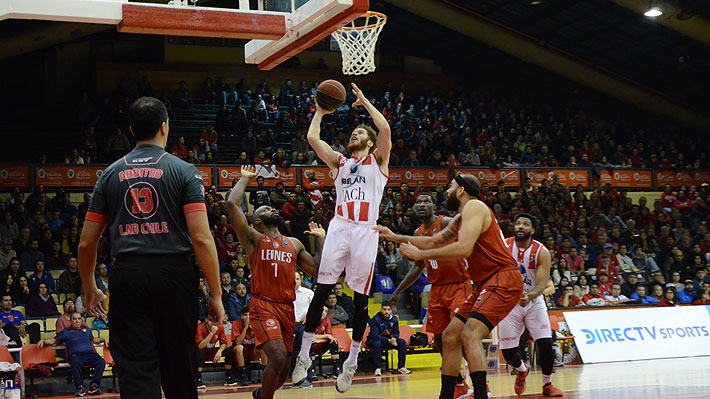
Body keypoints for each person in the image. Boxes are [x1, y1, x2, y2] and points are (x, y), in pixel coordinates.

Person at [78, 97, 224, 399]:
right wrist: (216, 293)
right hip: (174, 275)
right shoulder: (184, 171)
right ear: (164, 127)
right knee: (179, 365)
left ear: (132, 130)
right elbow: (201, 238)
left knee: (135, 367)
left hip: (128, 274)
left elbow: (87, 242)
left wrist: (90, 286)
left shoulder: (109, 175)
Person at [377, 173, 523, 399]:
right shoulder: (460, 218)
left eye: (450, 187)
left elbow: (464, 248)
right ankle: (447, 394)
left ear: (461, 190)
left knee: (470, 334)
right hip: (485, 282)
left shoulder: (475, 206)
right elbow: (434, 241)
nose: (446, 192)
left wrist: (421, 254)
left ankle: (482, 394)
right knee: (449, 336)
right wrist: (395, 237)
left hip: (502, 278)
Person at [294, 83, 392, 393]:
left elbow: (386, 127)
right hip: (339, 225)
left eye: (360, 133)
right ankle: (304, 356)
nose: (354, 134)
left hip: (366, 230)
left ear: (371, 142)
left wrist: (364, 102)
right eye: (352, 133)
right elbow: (312, 138)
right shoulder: (340, 162)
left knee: (361, 302)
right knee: (321, 290)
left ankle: (350, 363)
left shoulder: (378, 161)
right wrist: (320, 112)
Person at [226, 165, 324, 399]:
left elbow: (317, 269)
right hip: (263, 305)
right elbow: (231, 204)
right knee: (277, 356)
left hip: (286, 308)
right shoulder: (253, 238)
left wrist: (321, 240)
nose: (272, 208)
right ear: (257, 220)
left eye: (272, 206)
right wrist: (245, 178)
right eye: (265, 209)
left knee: (283, 369)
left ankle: (261, 394)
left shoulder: (294, 243)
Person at [388, 193, 473, 398]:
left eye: (427, 201)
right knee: (438, 340)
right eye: (419, 202)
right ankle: (460, 383)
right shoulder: (418, 232)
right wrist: (398, 291)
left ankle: (481, 385)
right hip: (436, 288)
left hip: (458, 285)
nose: (423, 204)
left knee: (462, 337)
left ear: (434, 206)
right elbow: (418, 266)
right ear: (414, 209)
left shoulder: (445, 222)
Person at [498, 214, 563, 396]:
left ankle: (547, 385)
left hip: (533, 301)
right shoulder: (504, 245)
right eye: (518, 223)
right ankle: (521, 369)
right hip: (509, 302)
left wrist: (530, 295)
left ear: (532, 230)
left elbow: (543, 283)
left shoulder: (541, 251)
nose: (520, 227)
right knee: (508, 351)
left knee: (545, 343)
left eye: (525, 224)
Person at [38, 312, 108, 396]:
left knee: (101, 361)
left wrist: (103, 339)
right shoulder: (66, 332)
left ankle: (94, 386)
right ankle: (80, 387)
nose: (77, 321)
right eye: (74, 319)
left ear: (82, 320)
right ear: (70, 321)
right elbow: (53, 341)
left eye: (79, 319)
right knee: (75, 362)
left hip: (90, 355)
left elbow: (94, 340)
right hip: (76, 356)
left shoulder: (87, 330)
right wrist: (43, 341)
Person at [366, 304, 411, 376]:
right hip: (374, 340)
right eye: (384, 309)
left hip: (389, 340)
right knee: (377, 343)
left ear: (391, 310)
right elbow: (375, 335)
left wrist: (394, 339)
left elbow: (396, 332)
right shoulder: (375, 319)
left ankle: (401, 367)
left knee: (402, 342)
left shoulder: (394, 319)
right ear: (381, 310)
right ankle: (378, 368)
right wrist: (388, 340)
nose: (386, 311)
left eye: (388, 309)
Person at [195, 315, 235, 388]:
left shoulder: (220, 327)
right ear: (206, 320)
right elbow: (200, 346)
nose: (213, 323)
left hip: (212, 352)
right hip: (201, 352)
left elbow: (224, 343)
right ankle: (198, 378)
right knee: (200, 351)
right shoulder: (200, 327)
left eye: (215, 321)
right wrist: (211, 333)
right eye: (211, 320)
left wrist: (219, 351)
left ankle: (228, 376)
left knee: (228, 350)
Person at [231, 308, 266, 386]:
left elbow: (262, 341)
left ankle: (266, 375)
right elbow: (237, 342)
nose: (248, 317)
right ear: (241, 316)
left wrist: (255, 330)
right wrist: (245, 328)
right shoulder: (236, 323)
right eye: (245, 315)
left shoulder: (258, 323)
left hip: (253, 352)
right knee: (239, 347)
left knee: (263, 348)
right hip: (241, 353)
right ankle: (243, 376)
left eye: (250, 315)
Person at [291, 271, 313, 385]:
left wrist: (308, 315)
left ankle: (308, 378)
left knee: (305, 352)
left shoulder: (308, 292)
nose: (295, 281)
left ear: (301, 279)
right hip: (289, 327)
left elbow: (317, 308)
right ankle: (297, 380)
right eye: (293, 278)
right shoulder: (284, 292)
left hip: (303, 326)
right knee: (293, 354)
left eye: (297, 278)